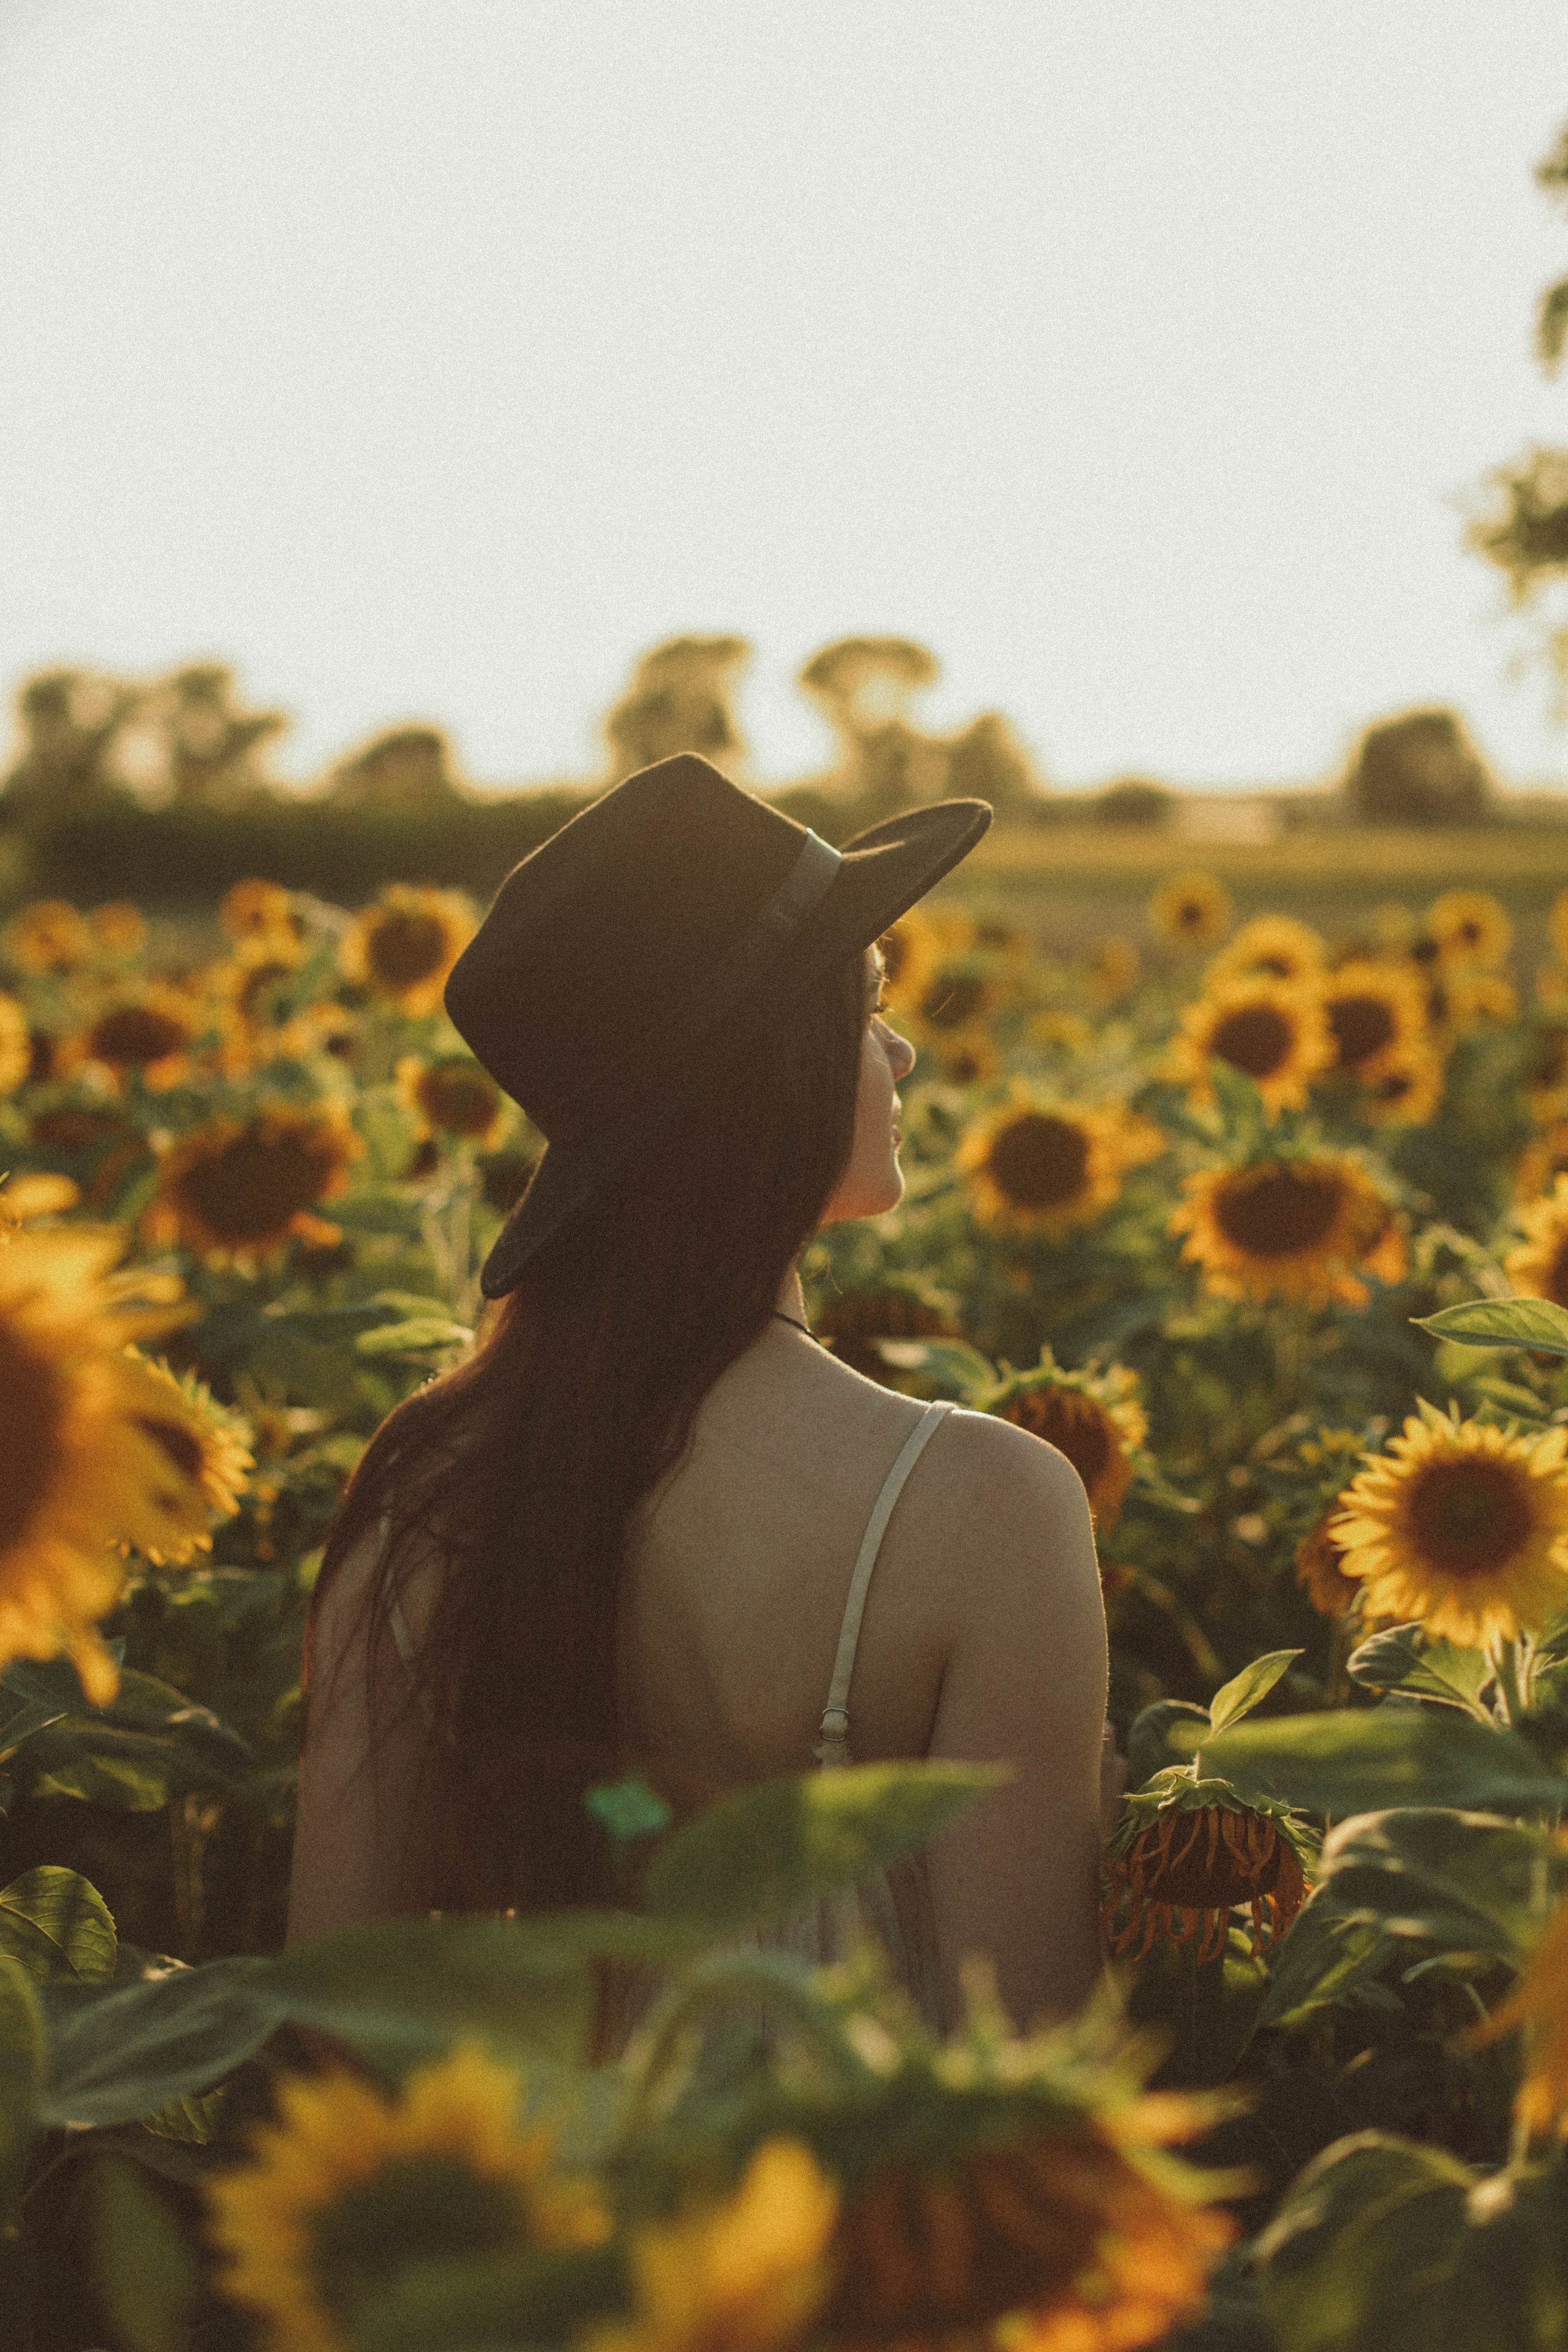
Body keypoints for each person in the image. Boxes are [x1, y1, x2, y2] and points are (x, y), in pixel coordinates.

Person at [287, 752, 1118, 2040]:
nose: (896, 1048)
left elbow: (335, 2024)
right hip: (844, 2226)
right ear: (771, 1065)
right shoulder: (982, 1507)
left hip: (527, 2218)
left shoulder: (430, 1483)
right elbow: (1024, 2068)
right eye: (864, 1006)